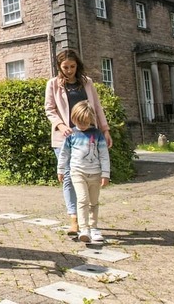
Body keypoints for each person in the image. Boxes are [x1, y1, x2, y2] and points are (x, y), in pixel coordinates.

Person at [44, 48, 112, 236]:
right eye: (65, 67)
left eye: (72, 66)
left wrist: (105, 130)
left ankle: (89, 221)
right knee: (67, 176)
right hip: (64, 138)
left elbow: (97, 107)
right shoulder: (53, 84)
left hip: (88, 136)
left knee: (89, 177)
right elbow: (49, 109)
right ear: (59, 66)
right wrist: (59, 125)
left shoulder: (87, 83)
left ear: (77, 65)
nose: (69, 70)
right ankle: (74, 219)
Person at [57, 101, 110, 243]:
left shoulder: (97, 134)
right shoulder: (71, 134)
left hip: (95, 174)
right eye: (80, 122)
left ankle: (94, 228)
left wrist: (105, 174)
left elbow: (104, 155)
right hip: (77, 172)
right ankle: (84, 229)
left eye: (86, 122)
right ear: (74, 119)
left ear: (91, 120)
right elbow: (64, 154)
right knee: (82, 200)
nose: (83, 126)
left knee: (93, 202)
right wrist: (60, 169)